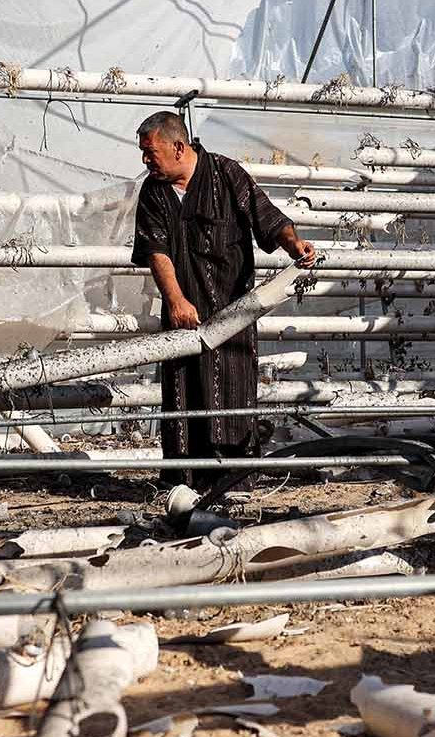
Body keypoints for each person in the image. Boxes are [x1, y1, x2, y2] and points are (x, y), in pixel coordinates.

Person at [131, 110, 316, 487]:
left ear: (178, 147)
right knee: (184, 397)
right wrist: (176, 300)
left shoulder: (225, 174)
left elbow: (269, 218)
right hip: (184, 313)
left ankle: (234, 483)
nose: (146, 161)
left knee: (233, 394)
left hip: (233, 313)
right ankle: (184, 483)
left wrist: (294, 245)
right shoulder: (153, 192)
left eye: (151, 152)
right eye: (143, 153)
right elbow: (156, 250)